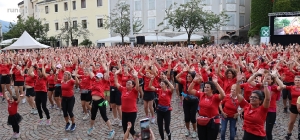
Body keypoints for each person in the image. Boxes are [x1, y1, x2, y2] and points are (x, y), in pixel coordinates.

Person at [188, 74, 225, 140]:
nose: (205, 88)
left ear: (212, 89)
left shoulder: (215, 97)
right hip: (202, 122)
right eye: (205, 87)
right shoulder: (201, 94)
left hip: (212, 123)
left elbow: (223, 95)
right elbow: (189, 90)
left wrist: (216, 84)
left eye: (208, 87)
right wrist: (194, 81)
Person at [236, 72, 271, 140]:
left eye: (255, 97)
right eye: (251, 97)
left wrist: (265, 84)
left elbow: (267, 99)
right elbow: (238, 94)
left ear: (260, 101)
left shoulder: (262, 109)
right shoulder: (247, 106)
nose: (252, 99)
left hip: (258, 136)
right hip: (247, 134)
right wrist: (238, 82)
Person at [86, 71, 115, 139]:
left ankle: (111, 130)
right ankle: (91, 128)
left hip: (101, 101)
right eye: (96, 77)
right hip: (94, 102)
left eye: (98, 78)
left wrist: (107, 65)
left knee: (104, 116)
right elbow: (91, 73)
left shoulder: (103, 82)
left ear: (101, 78)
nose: (96, 78)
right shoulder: (94, 82)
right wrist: (88, 68)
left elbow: (107, 75)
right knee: (93, 116)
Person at [114, 64, 139, 138]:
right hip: (124, 112)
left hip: (132, 113)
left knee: (131, 129)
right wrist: (115, 74)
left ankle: (138, 138)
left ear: (132, 86)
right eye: (127, 82)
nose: (128, 83)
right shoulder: (123, 89)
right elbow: (116, 83)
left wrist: (136, 77)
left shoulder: (134, 91)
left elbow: (137, 86)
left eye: (130, 83)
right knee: (125, 129)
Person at [175, 65, 200, 138]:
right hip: (186, 101)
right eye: (187, 76)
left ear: (193, 77)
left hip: (194, 102)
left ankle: (195, 131)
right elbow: (176, 77)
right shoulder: (184, 82)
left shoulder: (196, 82)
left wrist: (195, 74)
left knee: (193, 117)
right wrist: (183, 71)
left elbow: (201, 79)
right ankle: (188, 130)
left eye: (190, 76)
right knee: (186, 117)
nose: (188, 77)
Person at [148, 73, 174, 140]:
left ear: (166, 85)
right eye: (161, 84)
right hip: (159, 110)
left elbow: (172, 88)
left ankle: (169, 138)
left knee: (166, 127)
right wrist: (151, 80)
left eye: (162, 84)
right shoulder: (159, 90)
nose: (161, 85)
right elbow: (150, 87)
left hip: (167, 111)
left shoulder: (169, 92)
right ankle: (162, 138)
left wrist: (167, 80)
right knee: (160, 127)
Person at [279, 75, 300, 140]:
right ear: (294, 81)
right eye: (296, 80)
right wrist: (277, 78)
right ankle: (289, 133)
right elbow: (282, 86)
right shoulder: (291, 87)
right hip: (294, 105)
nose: (297, 81)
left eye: (298, 80)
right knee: (291, 122)